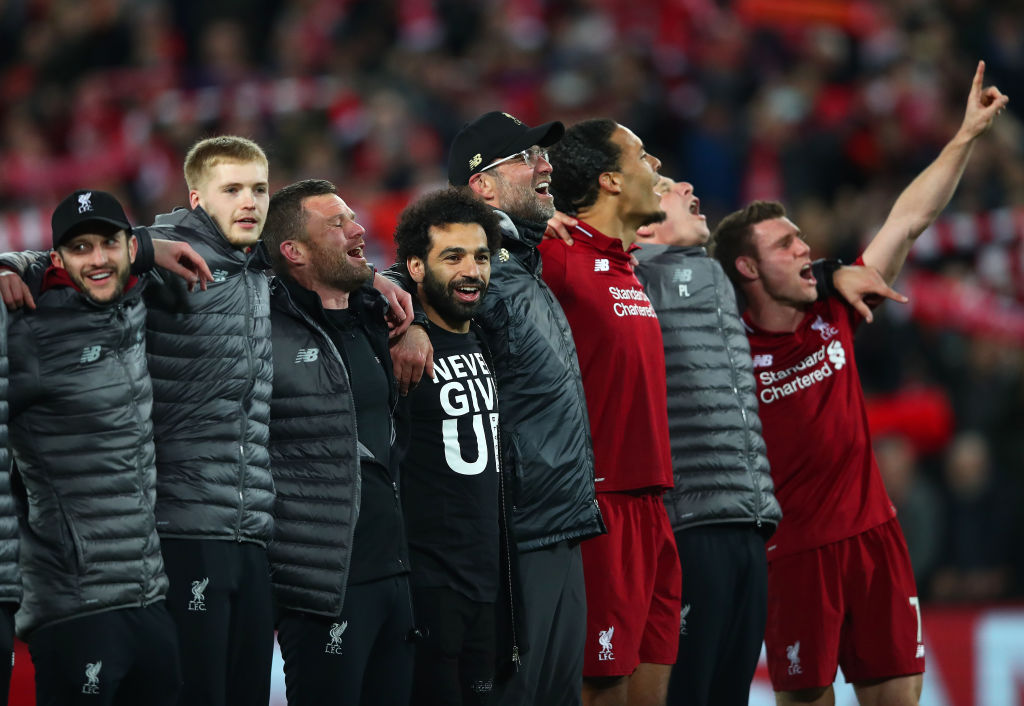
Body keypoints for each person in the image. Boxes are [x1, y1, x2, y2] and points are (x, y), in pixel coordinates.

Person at [711, 61, 1007, 706]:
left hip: (876, 536)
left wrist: (964, 137)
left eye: (799, 238)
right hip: (792, 556)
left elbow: (908, 220)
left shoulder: (836, 306)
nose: (803, 247)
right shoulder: (721, 345)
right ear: (746, 267)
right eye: (786, 244)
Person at [392, 110, 606, 706]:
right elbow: (399, 273)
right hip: (518, 526)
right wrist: (401, 317)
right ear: (482, 183)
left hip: (563, 517)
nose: (546, 166)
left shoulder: (522, 257)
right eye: (528, 157)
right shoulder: (463, 260)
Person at [7, 190, 180, 705]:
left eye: (109, 243)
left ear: (133, 248)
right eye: (81, 248)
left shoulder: (136, 304)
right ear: (57, 259)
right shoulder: (29, 327)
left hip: (149, 596)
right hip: (75, 607)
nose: (98, 259)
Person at [262, 179, 415, 706]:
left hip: (397, 570)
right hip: (325, 587)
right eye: (337, 223)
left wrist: (411, 325)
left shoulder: (376, 316)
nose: (359, 228)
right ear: (293, 251)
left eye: (352, 217)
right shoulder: (263, 328)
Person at [545, 119, 681, 706]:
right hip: (599, 508)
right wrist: (514, 224)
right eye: (644, 157)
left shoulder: (625, 263)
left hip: (653, 504)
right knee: (599, 691)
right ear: (609, 182)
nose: (659, 171)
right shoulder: (558, 254)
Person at [633, 176, 782, 706]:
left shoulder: (715, 275)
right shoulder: (631, 276)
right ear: (643, 222)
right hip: (690, 524)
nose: (686, 184)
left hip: (750, 517)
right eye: (662, 185)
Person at [392, 188, 511, 705]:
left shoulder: (486, 337)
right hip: (428, 584)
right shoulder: (395, 348)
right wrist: (408, 323)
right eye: (453, 257)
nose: (472, 271)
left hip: (488, 579)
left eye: (481, 257)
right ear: (416, 268)